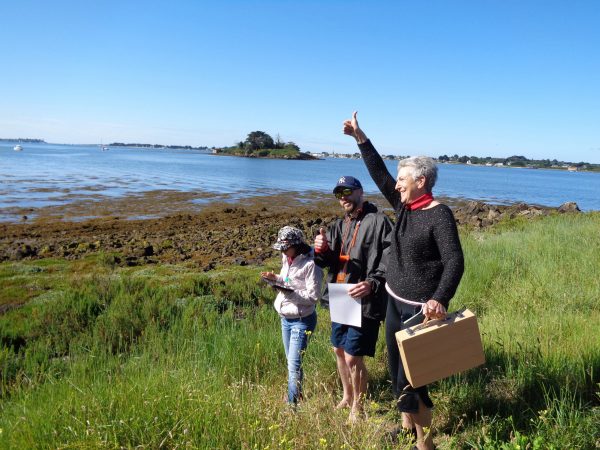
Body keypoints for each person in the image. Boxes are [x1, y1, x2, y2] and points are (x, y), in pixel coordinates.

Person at [343, 112, 464, 450]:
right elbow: (379, 173)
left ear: (421, 181)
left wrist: (439, 299)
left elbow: (455, 262)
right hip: (393, 300)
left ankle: (424, 443)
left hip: (420, 308)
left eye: (402, 180)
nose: (396, 184)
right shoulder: (405, 206)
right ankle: (406, 427)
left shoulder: (440, 215)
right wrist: (360, 138)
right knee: (396, 369)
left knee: (414, 377)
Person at [313, 176, 392, 421]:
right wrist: (322, 249)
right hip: (340, 295)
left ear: (360, 191)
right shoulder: (338, 225)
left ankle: (359, 406)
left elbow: (390, 259)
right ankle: (347, 396)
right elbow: (329, 263)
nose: (343, 197)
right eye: (338, 194)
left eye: (347, 191)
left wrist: (373, 283)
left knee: (352, 355)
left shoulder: (379, 221)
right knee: (338, 349)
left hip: (365, 299)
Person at [261, 226, 322, 405]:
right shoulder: (287, 258)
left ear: (296, 245)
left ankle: (291, 405)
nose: (282, 251)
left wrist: (288, 293)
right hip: (285, 319)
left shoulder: (311, 265)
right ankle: (298, 395)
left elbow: (313, 297)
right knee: (292, 363)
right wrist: (276, 279)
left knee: (293, 365)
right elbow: (289, 281)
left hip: (302, 321)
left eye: (285, 247)